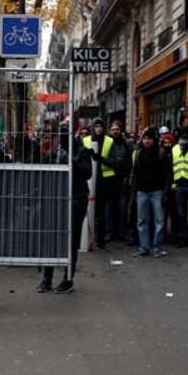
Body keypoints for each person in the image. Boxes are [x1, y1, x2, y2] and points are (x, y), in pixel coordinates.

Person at [38, 132, 92, 294]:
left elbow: (87, 172)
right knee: (52, 237)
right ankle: (47, 278)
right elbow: (45, 170)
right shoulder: (55, 151)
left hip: (76, 197)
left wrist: (72, 160)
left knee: (72, 239)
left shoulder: (81, 151)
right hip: (57, 196)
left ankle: (67, 279)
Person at [131, 127, 169, 258]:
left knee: (159, 221)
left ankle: (157, 248)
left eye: (149, 139)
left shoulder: (161, 153)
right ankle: (144, 247)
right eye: (145, 139)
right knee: (142, 221)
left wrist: (165, 191)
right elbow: (135, 173)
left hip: (156, 190)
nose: (147, 141)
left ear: (154, 140)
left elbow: (167, 174)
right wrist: (134, 190)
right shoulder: (139, 153)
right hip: (142, 191)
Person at [82, 118, 117, 249]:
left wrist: (100, 158)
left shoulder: (109, 141)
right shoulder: (86, 140)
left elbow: (114, 161)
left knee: (102, 212)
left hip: (104, 181)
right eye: (96, 126)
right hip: (89, 180)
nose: (99, 129)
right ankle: (88, 238)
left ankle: (100, 238)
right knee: (88, 210)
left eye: (101, 126)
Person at [108, 121, 132, 243]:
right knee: (111, 207)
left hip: (122, 179)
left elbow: (130, 161)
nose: (115, 131)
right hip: (110, 179)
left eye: (117, 129)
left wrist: (127, 175)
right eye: (113, 129)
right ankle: (111, 232)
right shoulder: (108, 143)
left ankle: (122, 232)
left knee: (122, 207)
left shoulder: (127, 144)